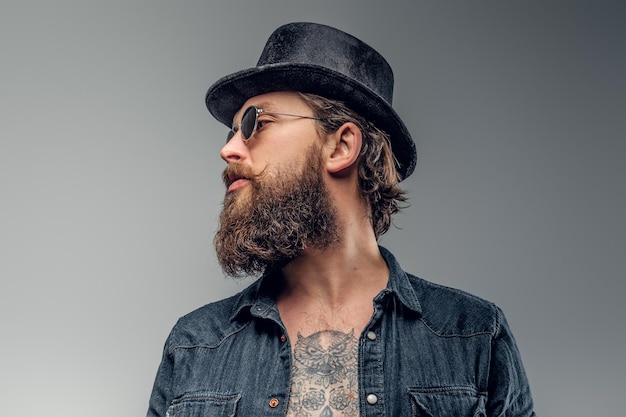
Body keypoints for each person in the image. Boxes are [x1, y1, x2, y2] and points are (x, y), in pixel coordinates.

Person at [147, 22, 535, 417]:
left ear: (342, 145)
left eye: (255, 125)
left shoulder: (473, 337)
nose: (228, 149)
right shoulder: (193, 345)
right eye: (232, 131)